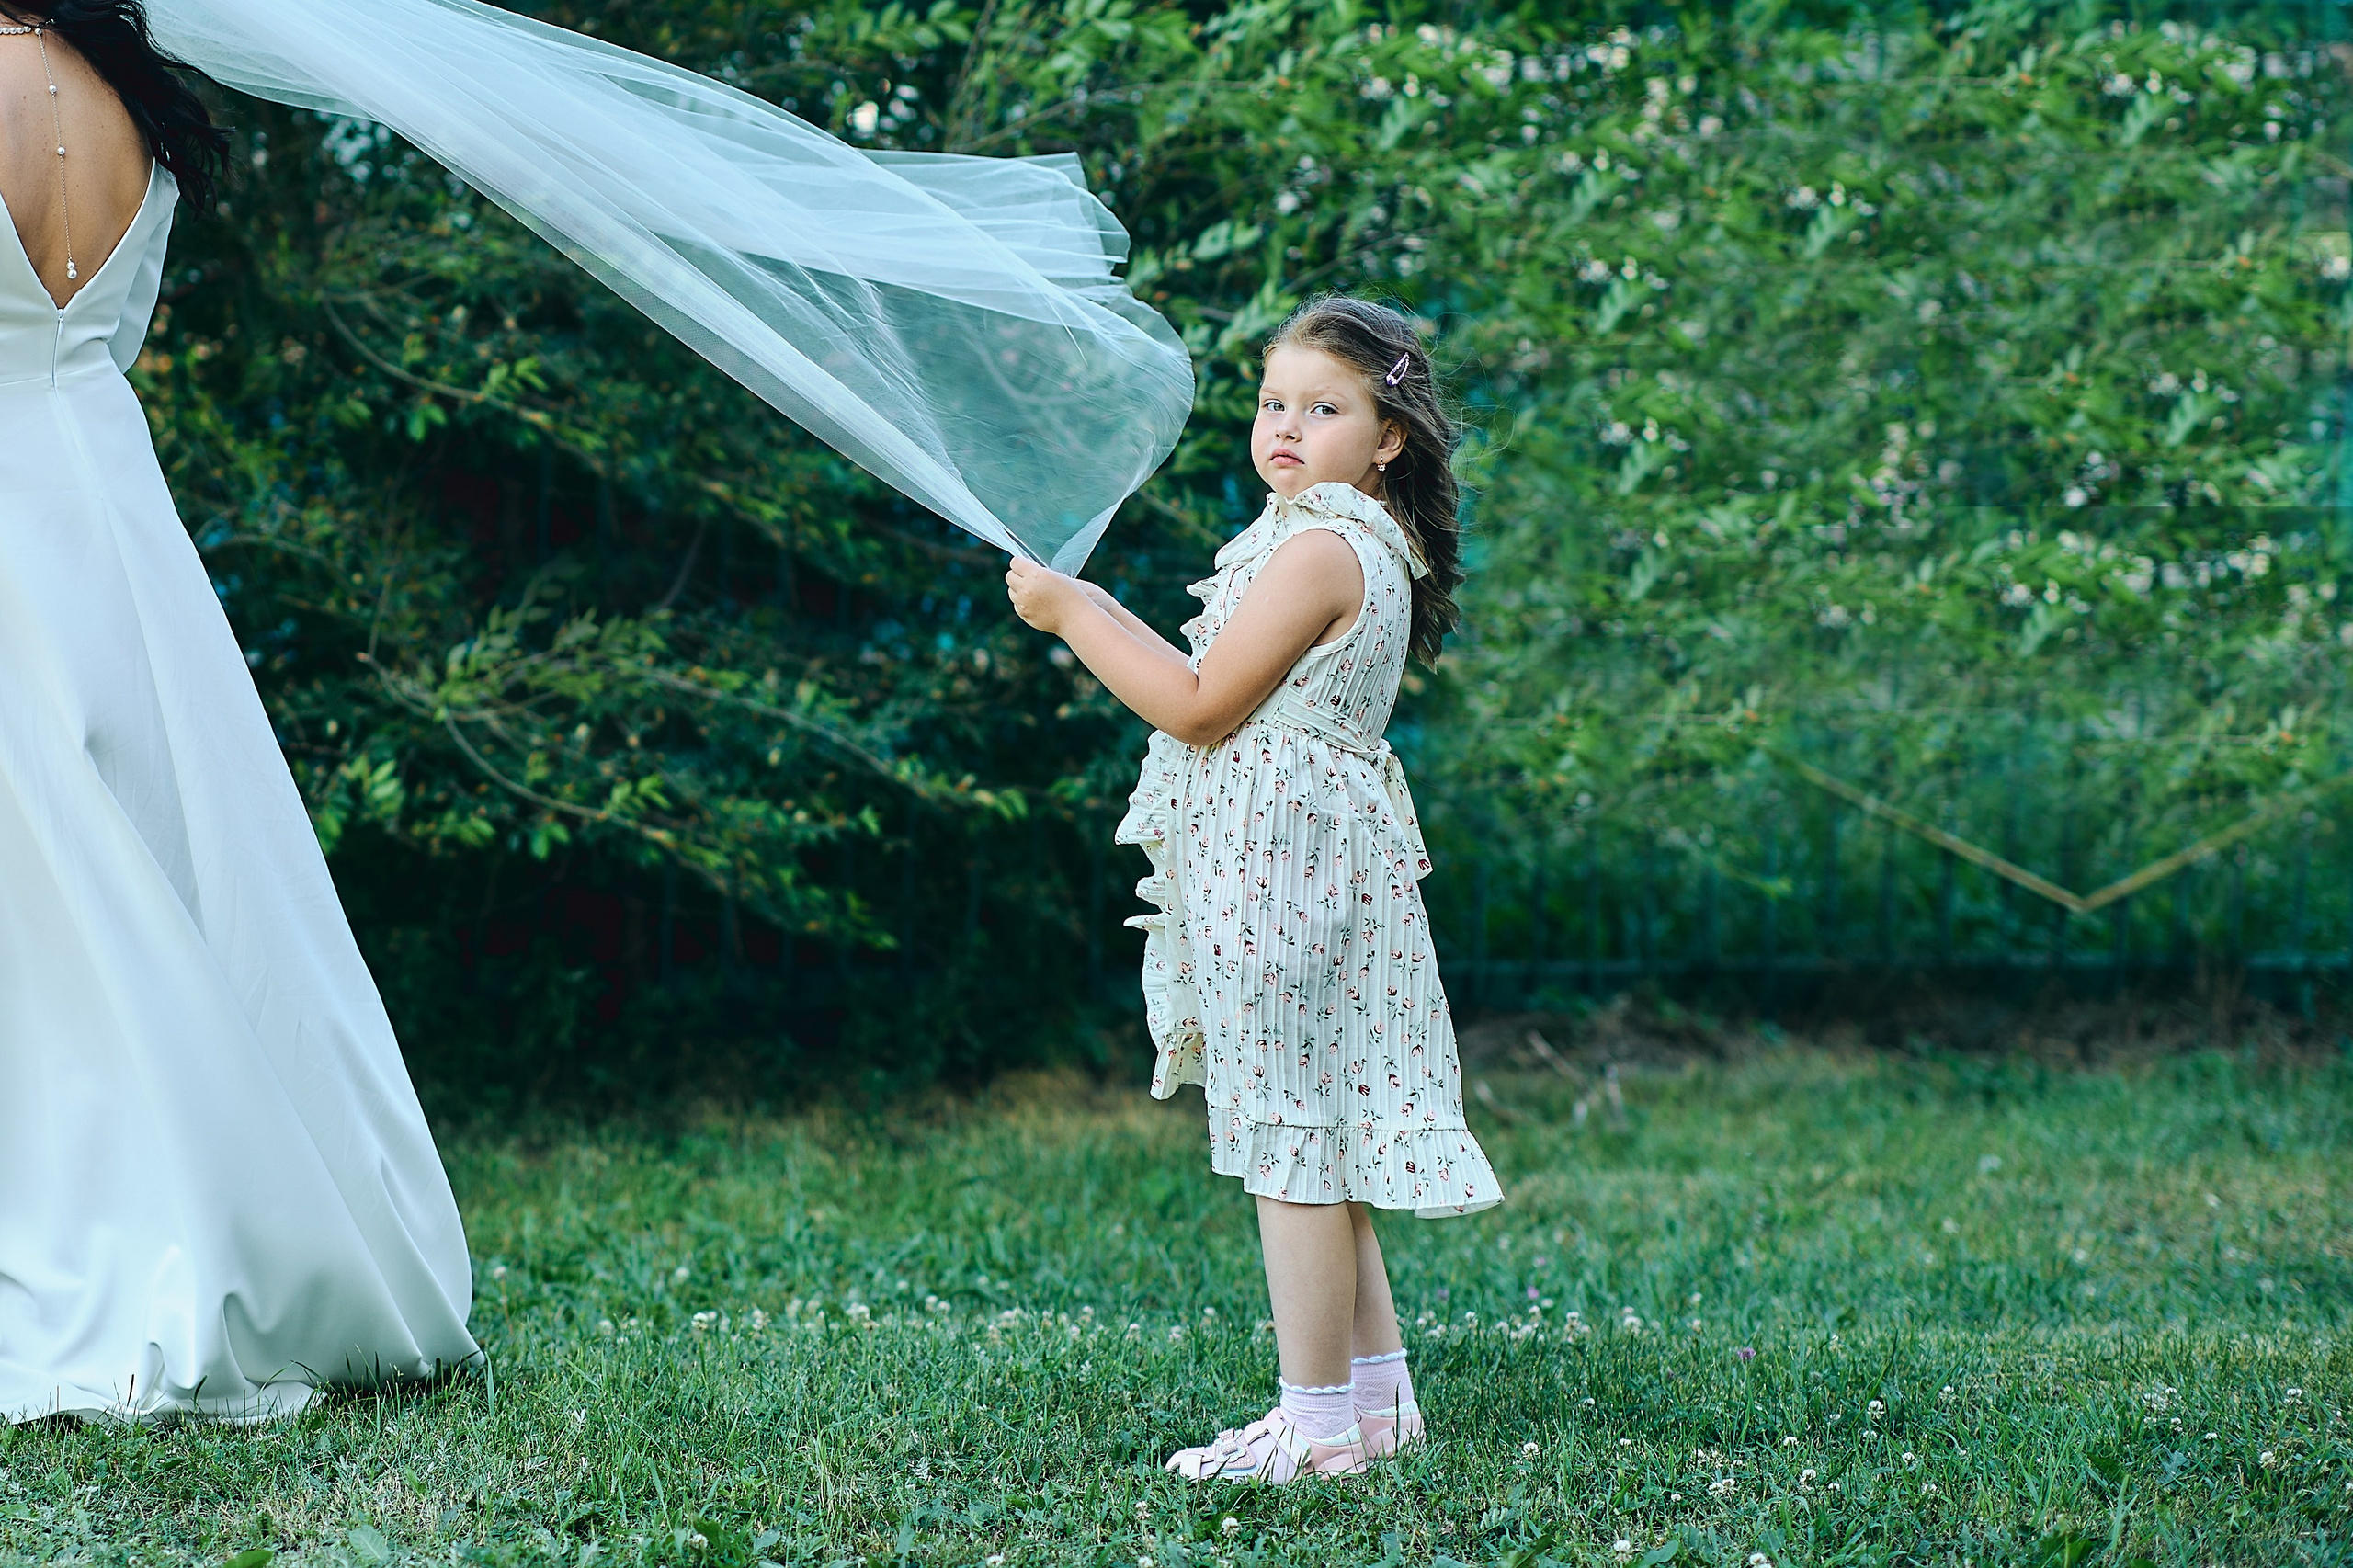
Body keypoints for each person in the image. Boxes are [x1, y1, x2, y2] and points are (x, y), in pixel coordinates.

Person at [0, 2, 477, 1423]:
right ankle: (242, 1213)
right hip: (117, 520)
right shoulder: (129, 91)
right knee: (165, 872)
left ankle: (112, 1223)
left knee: (60, 908)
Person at [1005, 293, 1502, 1483]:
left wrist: (1074, 612)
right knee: (1319, 1137)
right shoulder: (1347, 540)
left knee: (1290, 1145)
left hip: (1284, 873)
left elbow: (1197, 703)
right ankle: (1376, 1404)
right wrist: (1091, 602)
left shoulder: (1324, 546)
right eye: (1272, 403)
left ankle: (1315, 1425)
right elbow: (1206, 676)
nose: (1285, 426)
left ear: (1387, 437)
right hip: (1315, 863)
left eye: (1323, 408)